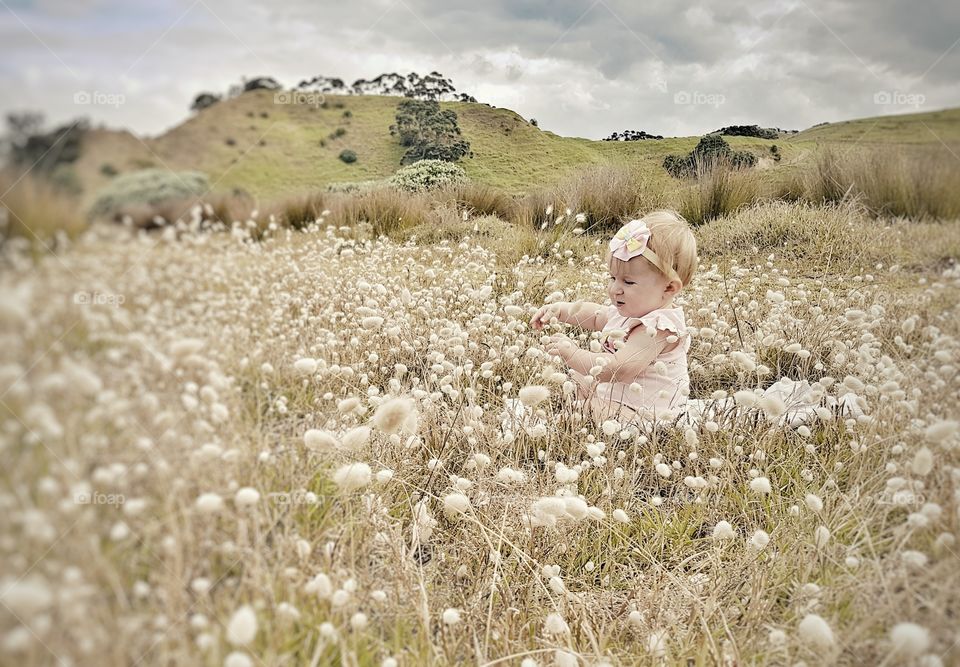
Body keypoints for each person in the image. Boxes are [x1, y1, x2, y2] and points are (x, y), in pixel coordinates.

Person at [530, 210, 698, 424]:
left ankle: (575, 415)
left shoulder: (659, 329)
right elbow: (595, 315)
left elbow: (620, 369)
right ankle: (577, 410)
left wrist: (574, 355)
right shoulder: (631, 311)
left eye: (628, 282)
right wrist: (561, 310)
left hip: (647, 413)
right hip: (618, 397)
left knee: (588, 408)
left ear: (668, 288)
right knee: (577, 380)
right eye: (612, 278)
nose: (614, 289)